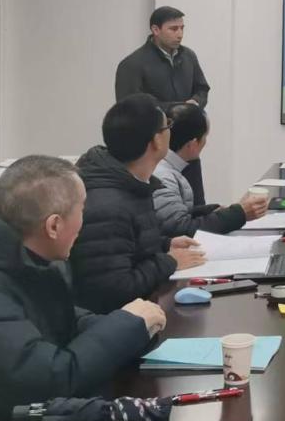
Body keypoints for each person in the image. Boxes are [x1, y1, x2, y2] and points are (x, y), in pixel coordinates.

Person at [0, 156, 167, 421]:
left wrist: (131, 327)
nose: (85, 220)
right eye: (82, 208)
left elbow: (59, 322)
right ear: (54, 226)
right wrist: (128, 325)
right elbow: (46, 378)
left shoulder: (18, 258)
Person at [71, 94, 206, 314]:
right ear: (156, 141)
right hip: (117, 321)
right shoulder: (107, 206)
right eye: (167, 125)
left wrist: (166, 244)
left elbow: (127, 246)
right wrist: (169, 261)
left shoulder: (131, 183)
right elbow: (114, 289)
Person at [115, 6, 210, 203]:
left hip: (187, 143)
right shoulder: (133, 64)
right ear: (155, 30)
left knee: (195, 201)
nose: (180, 34)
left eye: (182, 28)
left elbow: (202, 88)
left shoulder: (188, 56)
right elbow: (130, 106)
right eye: (173, 29)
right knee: (164, 202)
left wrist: (195, 102)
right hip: (154, 146)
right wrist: (178, 109)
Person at [153, 102, 268, 236]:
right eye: (205, 137)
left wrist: (219, 211)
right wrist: (239, 213)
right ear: (192, 144)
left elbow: (181, 215)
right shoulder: (163, 177)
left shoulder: (170, 168)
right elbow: (181, 229)